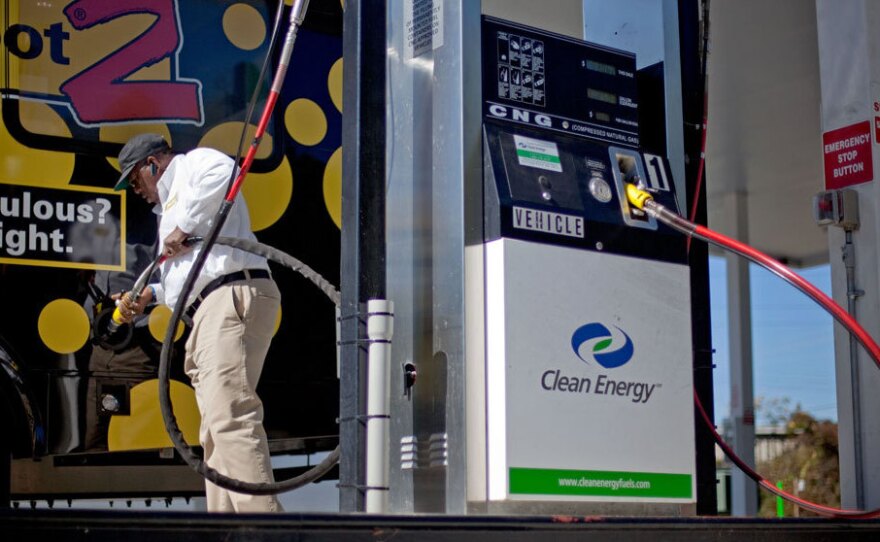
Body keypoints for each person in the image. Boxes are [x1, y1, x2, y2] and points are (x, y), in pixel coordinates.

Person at [114, 133, 282, 513]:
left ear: (152, 164)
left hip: (230, 296)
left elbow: (227, 174)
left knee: (229, 418)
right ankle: (228, 529)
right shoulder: (169, 211)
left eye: (135, 180)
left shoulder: (195, 164)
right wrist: (151, 297)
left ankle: (267, 529)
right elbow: (186, 277)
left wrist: (185, 226)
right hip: (209, 307)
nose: (136, 190)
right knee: (213, 434)